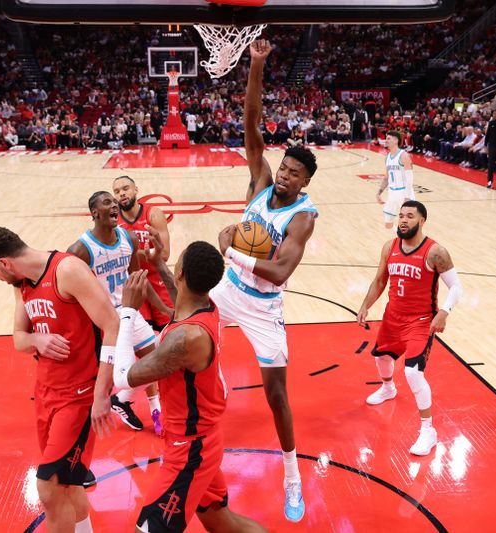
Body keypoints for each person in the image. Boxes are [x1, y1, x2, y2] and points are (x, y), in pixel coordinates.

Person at [212, 39, 318, 523]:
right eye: (285, 168)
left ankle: (293, 477)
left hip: (263, 305)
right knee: (181, 305)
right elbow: (251, 122)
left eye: (295, 174)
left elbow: (279, 270)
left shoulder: (303, 216)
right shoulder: (259, 176)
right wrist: (256, 64)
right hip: (229, 289)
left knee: (277, 396)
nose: (286, 177)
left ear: (304, 184)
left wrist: (230, 248)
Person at [113, 235, 266, 533]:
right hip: (201, 440)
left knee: (146, 530)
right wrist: (158, 263)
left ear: (181, 272)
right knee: (222, 523)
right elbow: (179, 301)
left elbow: (123, 377)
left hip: (189, 449)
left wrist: (128, 311)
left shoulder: (185, 339)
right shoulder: (206, 307)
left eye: (176, 261)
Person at [0, 226, 119, 533]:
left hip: (79, 396)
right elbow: (19, 339)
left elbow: (112, 325)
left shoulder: (67, 271)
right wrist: (37, 341)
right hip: (46, 392)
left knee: (49, 488)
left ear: (5, 263)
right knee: (67, 483)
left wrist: (102, 392)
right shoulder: (21, 284)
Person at [356, 201, 464, 456]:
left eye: (410, 216)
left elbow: (457, 287)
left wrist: (444, 312)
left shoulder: (435, 252)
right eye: (401, 216)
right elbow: (381, 280)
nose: (403, 220)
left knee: (414, 373)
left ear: (422, 221)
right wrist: (364, 305)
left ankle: (428, 431)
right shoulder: (389, 247)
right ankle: (388, 388)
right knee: (381, 357)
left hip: (420, 321)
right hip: (393, 316)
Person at [67, 191, 166, 436]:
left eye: (114, 202)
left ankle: (133, 403)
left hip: (129, 310)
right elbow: (71, 293)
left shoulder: (128, 238)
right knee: (118, 373)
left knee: (155, 362)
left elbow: (138, 279)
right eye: (107, 202)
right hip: (104, 318)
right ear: (94, 213)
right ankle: (146, 408)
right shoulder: (80, 250)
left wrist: (165, 308)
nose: (114, 205)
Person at [113, 175, 175, 332]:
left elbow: (165, 254)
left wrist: (131, 252)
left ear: (136, 190)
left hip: (156, 277)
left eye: (125, 188)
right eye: (117, 191)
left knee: (168, 329)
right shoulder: (113, 221)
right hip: (133, 282)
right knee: (142, 334)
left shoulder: (153, 214)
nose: (122, 193)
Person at [376, 131, 415, 229]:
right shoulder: (387, 157)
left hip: (404, 192)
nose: (386, 140)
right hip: (392, 193)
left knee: (408, 224)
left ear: (396, 140)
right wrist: (379, 192)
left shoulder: (404, 155)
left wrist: (407, 196)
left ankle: (407, 240)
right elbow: (386, 177)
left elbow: (409, 178)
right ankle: (400, 238)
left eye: (388, 138)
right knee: (388, 224)